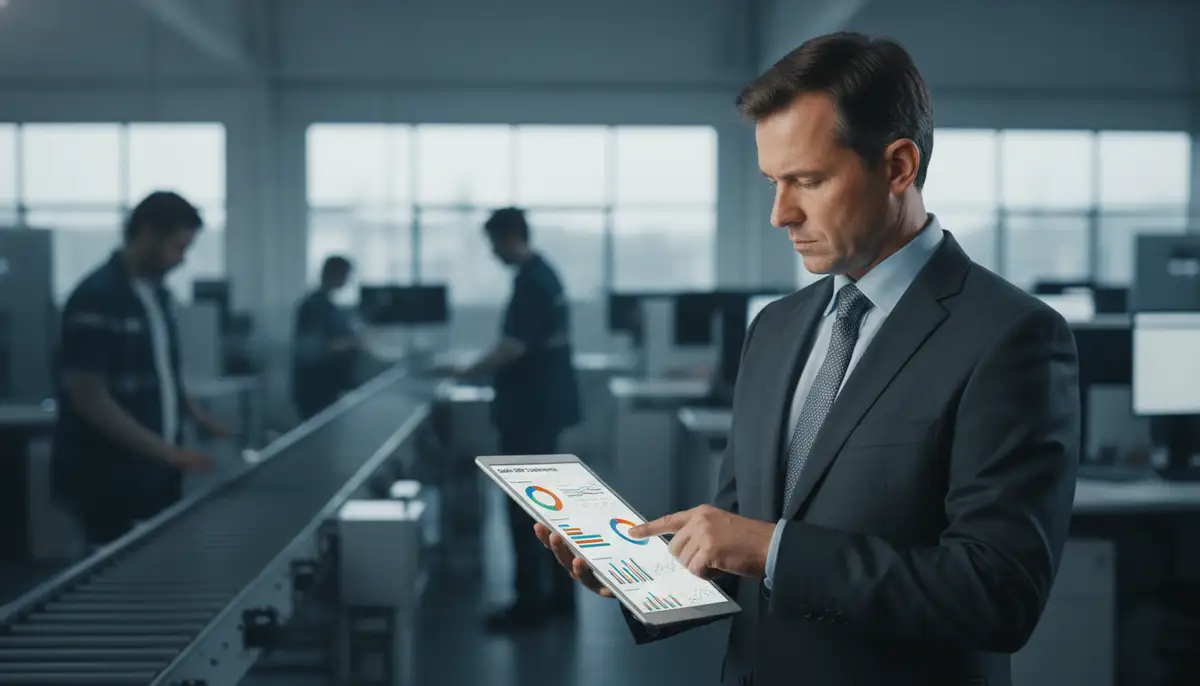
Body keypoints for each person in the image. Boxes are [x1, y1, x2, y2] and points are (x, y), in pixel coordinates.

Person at [535, 32, 1080, 686]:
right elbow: (744, 550)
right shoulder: (775, 329)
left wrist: (768, 547)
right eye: (772, 181)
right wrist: (645, 575)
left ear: (899, 166)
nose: (779, 213)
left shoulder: (1009, 335)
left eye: (808, 181)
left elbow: (997, 595)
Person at [51, 191, 228, 547]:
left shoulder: (157, 295)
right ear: (147, 234)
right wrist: (166, 452)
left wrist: (196, 415)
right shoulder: (96, 297)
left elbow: (164, 372)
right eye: (178, 248)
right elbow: (88, 397)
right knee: (113, 578)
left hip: (154, 474)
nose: (182, 260)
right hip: (108, 476)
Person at [452, 207, 583, 632]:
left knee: (526, 511)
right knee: (547, 508)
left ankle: (530, 604)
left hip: (529, 411)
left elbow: (512, 347)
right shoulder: (546, 274)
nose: (493, 253)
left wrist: (467, 372)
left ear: (509, 237)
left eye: (493, 244)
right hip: (542, 408)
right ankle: (560, 598)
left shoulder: (531, 281)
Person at [291, 255, 361, 420]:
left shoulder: (329, 306)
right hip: (316, 390)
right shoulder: (314, 307)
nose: (347, 280)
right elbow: (313, 349)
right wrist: (353, 342)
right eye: (345, 275)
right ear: (335, 274)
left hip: (328, 388)